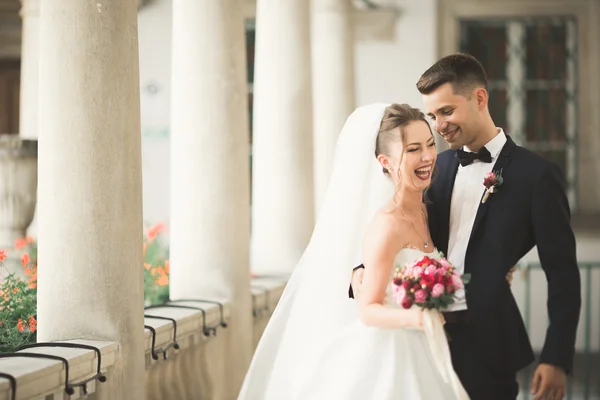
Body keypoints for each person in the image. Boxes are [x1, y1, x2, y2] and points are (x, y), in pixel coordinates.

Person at [351, 53, 581, 400]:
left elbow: (563, 274)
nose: (439, 126)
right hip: (422, 343)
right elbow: (399, 229)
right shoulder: (432, 167)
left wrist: (557, 358)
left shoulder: (537, 177)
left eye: (446, 111)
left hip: (489, 345)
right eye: (432, 115)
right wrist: (361, 273)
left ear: (479, 98)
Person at [238, 103, 468, 400]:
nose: (427, 157)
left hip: (429, 349)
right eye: (412, 149)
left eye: (428, 145)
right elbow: (369, 309)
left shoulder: (428, 212)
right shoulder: (387, 225)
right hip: (392, 355)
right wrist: (420, 318)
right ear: (385, 161)